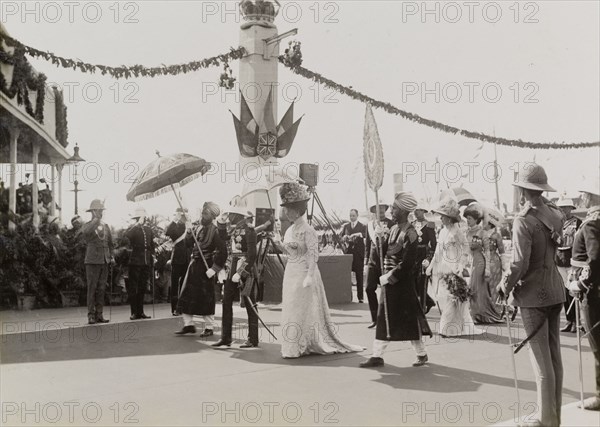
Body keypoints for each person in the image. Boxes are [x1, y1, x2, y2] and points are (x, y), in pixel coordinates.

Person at [497, 163, 565, 427]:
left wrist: (505, 285)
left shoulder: (523, 220)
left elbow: (519, 263)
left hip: (533, 295)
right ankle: (554, 415)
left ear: (523, 191)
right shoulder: (555, 214)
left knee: (541, 362)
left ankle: (546, 420)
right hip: (555, 291)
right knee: (554, 357)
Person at [279, 182, 363, 358]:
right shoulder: (290, 230)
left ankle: (301, 344)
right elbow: (288, 251)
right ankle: (293, 344)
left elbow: (313, 255)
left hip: (304, 273)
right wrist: (277, 243)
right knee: (291, 308)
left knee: (301, 309)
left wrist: (309, 275)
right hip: (291, 273)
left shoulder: (308, 230)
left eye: (288, 208)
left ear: (296, 209)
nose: (286, 212)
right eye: (285, 208)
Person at [360, 192, 432, 368]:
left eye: (394, 208)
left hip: (403, 284)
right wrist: (378, 238)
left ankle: (421, 353)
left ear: (403, 211)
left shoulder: (411, 234)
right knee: (384, 317)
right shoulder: (392, 230)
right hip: (389, 283)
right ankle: (378, 355)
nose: (391, 211)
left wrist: (390, 276)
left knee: (408, 321)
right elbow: (382, 252)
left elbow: (408, 264)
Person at [427, 198, 483, 337]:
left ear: (449, 218)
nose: (441, 218)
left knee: (454, 297)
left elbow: (465, 249)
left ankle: (447, 328)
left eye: (443, 216)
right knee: (450, 298)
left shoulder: (457, 231)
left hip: (455, 266)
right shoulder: (441, 232)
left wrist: (461, 265)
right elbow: (438, 251)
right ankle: (460, 326)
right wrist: (431, 265)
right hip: (444, 266)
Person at [175, 202, 227, 337]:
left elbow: (223, 252)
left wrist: (214, 269)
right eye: (203, 213)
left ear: (212, 216)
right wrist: (188, 231)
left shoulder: (216, 231)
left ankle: (209, 327)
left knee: (206, 297)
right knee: (186, 294)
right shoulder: (197, 228)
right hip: (193, 265)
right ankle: (188, 325)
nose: (203, 215)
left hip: (207, 266)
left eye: (206, 213)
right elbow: (187, 244)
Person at [567, 201, 600, 411]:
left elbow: (594, 257)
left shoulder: (591, 222)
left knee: (598, 346)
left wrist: (581, 283)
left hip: (593, 292)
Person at [212, 208, 260, 348]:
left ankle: (253, 338)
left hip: (244, 268)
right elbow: (223, 237)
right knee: (226, 302)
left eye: (231, 214)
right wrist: (220, 222)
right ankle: (226, 338)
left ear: (238, 216)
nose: (229, 217)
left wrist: (240, 272)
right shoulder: (234, 229)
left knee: (250, 304)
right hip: (232, 266)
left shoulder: (249, 230)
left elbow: (252, 255)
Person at [465, 203, 503, 324]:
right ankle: (476, 314)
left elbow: (486, 251)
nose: (467, 221)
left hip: (481, 263)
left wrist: (487, 268)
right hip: (473, 263)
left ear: (476, 220)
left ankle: (479, 314)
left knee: (478, 289)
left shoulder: (482, 233)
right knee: (473, 287)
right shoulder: (467, 232)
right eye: (467, 218)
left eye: (470, 219)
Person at [81, 199, 113, 325]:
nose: (101, 213)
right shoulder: (88, 225)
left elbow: (110, 243)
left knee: (101, 288)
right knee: (92, 288)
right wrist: (95, 221)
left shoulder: (105, 226)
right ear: (93, 211)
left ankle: (99, 314)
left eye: (101, 210)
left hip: (104, 260)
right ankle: (91, 315)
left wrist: (112, 256)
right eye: (98, 210)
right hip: (92, 260)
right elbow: (85, 233)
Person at [364, 202, 394, 328]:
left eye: (382, 208)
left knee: (387, 290)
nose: (380, 210)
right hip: (373, 260)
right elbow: (368, 244)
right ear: (374, 211)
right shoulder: (370, 225)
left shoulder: (392, 224)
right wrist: (366, 262)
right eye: (378, 208)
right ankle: (375, 318)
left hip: (386, 260)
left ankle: (388, 318)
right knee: (369, 288)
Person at [555, 198, 582, 333]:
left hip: (572, 259)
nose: (563, 210)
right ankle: (569, 320)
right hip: (559, 260)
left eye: (566, 207)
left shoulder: (578, 222)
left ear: (571, 208)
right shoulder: (556, 222)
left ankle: (577, 321)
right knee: (565, 292)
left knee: (574, 290)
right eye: (561, 207)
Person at [123, 207, 155, 320]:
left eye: (144, 217)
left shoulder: (148, 229)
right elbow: (127, 236)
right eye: (140, 217)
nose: (143, 219)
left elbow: (151, 245)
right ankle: (134, 312)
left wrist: (153, 256)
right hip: (135, 261)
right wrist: (137, 225)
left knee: (142, 287)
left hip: (146, 261)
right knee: (133, 288)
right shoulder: (133, 229)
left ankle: (141, 312)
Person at [165, 207, 190, 316]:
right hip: (177, 259)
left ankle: (183, 307)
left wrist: (190, 229)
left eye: (185, 215)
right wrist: (175, 219)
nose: (184, 217)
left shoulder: (188, 226)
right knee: (175, 285)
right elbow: (168, 232)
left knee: (184, 284)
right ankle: (175, 308)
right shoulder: (175, 226)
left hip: (186, 258)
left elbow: (191, 241)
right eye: (182, 215)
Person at [412, 203, 437, 313]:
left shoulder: (429, 225)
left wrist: (429, 258)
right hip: (413, 255)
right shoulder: (412, 224)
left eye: (419, 210)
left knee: (422, 282)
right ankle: (429, 302)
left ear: (423, 211)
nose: (416, 212)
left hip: (424, 254)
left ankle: (422, 307)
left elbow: (434, 243)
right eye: (415, 210)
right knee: (413, 282)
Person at [483, 211, 506, 317]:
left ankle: (495, 311)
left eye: (485, 221)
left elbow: (502, 251)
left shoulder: (497, 236)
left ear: (490, 223)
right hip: (482, 261)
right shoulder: (481, 233)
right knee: (483, 286)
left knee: (493, 286)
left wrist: (505, 265)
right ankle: (485, 310)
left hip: (494, 263)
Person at [341, 209, 367, 303]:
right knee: (347, 275)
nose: (352, 217)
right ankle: (349, 296)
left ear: (357, 215)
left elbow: (366, 235)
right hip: (348, 253)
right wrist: (344, 238)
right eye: (350, 215)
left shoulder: (363, 226)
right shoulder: (346, 226)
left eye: (353, 215)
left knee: (359, 276)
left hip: (358, 254)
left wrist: (359, 234)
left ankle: (360, 297)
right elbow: (341, 236)